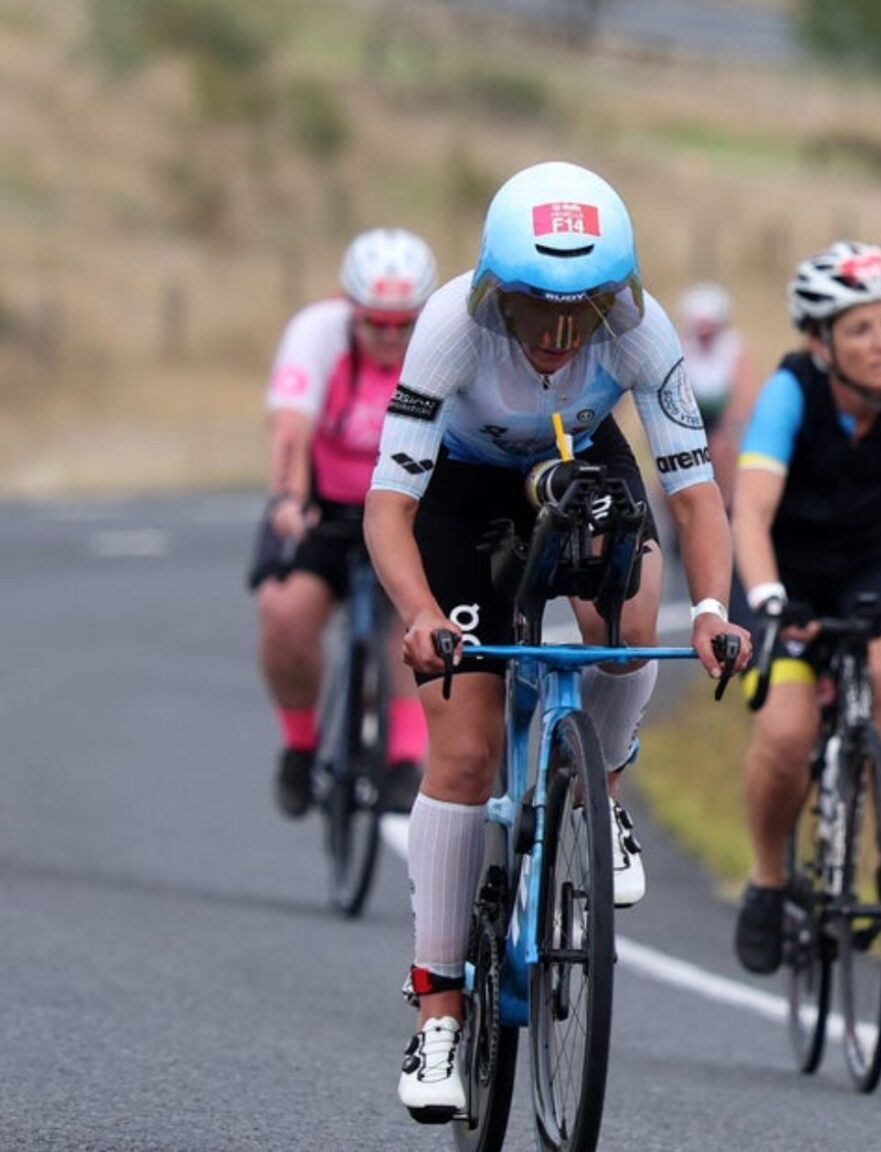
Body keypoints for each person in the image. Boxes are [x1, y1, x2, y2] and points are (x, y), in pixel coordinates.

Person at [363, 161, 751, 1120]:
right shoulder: (451, 325)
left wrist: (711, 610)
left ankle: (602, 789)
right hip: (460, 495)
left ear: (616, 299)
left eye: (582, 312)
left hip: (579, 464)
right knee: (461, 751)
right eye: (536, 309)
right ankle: (440, 1015)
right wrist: (418, 612)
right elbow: (386, 507)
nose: (555, 335)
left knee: (626, 622)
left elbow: (694, 493)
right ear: (499, 290)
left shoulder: (641, 332)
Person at [728, 241, 881, 977]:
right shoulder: (789, 392)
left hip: (876, 567)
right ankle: (769, 880)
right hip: (786, 572)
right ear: (820, 342)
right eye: (862, 328)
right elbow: (750, 510)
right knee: (785, 735)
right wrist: (770, 598)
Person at [250, 227, 438, 819]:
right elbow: (289, 429)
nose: (388, 335)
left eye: (402, 323)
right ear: (349, 307)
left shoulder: (441, 341)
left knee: (415, 622)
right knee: (284, 614)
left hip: (410, 506)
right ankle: (300, 746)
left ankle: (406, 759)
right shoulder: (316, 331)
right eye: (373, 323)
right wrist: (287, 499)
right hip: (324, 502)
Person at [674, 281, 758, 505]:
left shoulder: (734, 348)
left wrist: (729, 431)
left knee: (721, 452)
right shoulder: (679, 347)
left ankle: (726, 506)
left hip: (722, 420)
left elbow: (743, 396)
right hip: (690, 419)